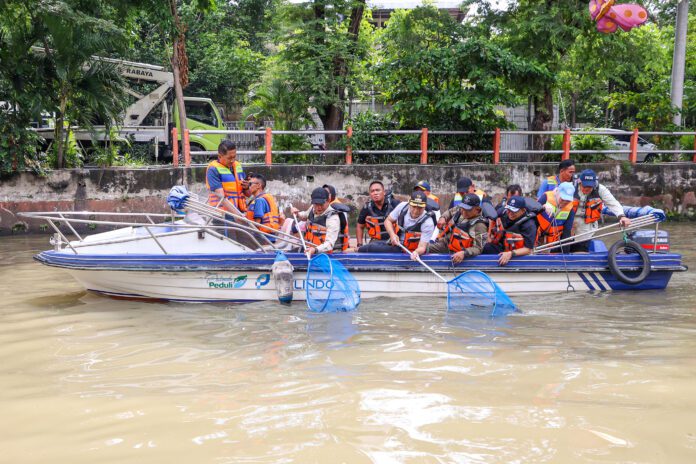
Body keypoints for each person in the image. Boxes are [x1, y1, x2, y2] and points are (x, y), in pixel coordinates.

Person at [358, 191, 436, 261]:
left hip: (410, 250)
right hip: (397, 244)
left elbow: (422, 247)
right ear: (409, 203)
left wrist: (416, 252)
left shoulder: (428, 223)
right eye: (414, 206)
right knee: (374, 244)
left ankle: (355, 250)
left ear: (424, 206)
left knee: (371, 248)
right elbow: (388, 221)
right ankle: (356, 249)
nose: (416, 211)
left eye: (420, 208)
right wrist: (392, 235)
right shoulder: (402, 207)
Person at [570, 169, 631, 252]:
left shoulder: (600, 189)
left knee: (581, 249)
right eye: (584, 186)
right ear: (579, 182)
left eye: (590, 187)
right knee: (564, 246)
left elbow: (613, 203)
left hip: (586, 225)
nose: (587, 189)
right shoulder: (570, 187)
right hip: (570, 222)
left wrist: (622, 216)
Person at [429, 193, 489, 263]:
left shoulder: (480, 225)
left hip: (457, 253)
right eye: (463, 208)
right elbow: (450, 212)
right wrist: (443, 218)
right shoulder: (461, 209)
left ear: (477, 209)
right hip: (445, 243)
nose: (464, 212)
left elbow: (478, 248)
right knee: (423, 247)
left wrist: (464, 253)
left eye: (468, 210)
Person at [291, 187, 348, 256]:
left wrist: (315, 250)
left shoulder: (333, 219)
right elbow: (305, 215)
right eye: (316, 204)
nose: (319, 207)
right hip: (311, 250)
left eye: (321, 204)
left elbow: (329, 244)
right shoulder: (313, 208)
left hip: (328, 255)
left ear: (328, 201)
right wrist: (297, 214)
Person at [483, 196, 537, 266]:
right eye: (509, 209)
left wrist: (511, 253)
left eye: (514, 211)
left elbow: (528, 249)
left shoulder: (529, 225)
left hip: (519, 254)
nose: (510, 213)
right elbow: (492, 218)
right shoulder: (503, 212)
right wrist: (489, 235)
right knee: (486, 247)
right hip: (503, 247)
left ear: (523, 210)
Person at [205, 140, 249, 214]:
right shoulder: (213, 170)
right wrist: (238, 216)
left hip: (239, 212)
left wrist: (247, 187)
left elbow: (248, 194)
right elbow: (221, 197)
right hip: (222, 214)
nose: (232, 160)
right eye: (229, 158)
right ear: (219, 156)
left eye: (234, 157)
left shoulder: (237, 166)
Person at [356, 180, 400, 247]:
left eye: (377, 190)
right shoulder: (366, 208)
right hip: (375, 243)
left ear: (384, 192)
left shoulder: (395, 204)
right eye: (372, 191)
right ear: (370, 194)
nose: (375, 193)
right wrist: (359, 244)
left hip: (394, 242)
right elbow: (360, 226)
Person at [536, 182, 577, 251]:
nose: (564, 202)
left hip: (552, 242)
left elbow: (567, 233)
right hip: (537, 237)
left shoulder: (570, 209)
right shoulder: (546, 197)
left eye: (568, 200)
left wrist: (565, 254)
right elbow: (531, 211)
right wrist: (542, 207)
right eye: (563, 198)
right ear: (558, 193)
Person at [245, 173, 281, 242]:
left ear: (258, 185)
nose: (248, 187)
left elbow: (256, 224)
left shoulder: (259, 200)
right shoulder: (267, 197)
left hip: (263, 238)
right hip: (271, 236)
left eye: (250, 184)